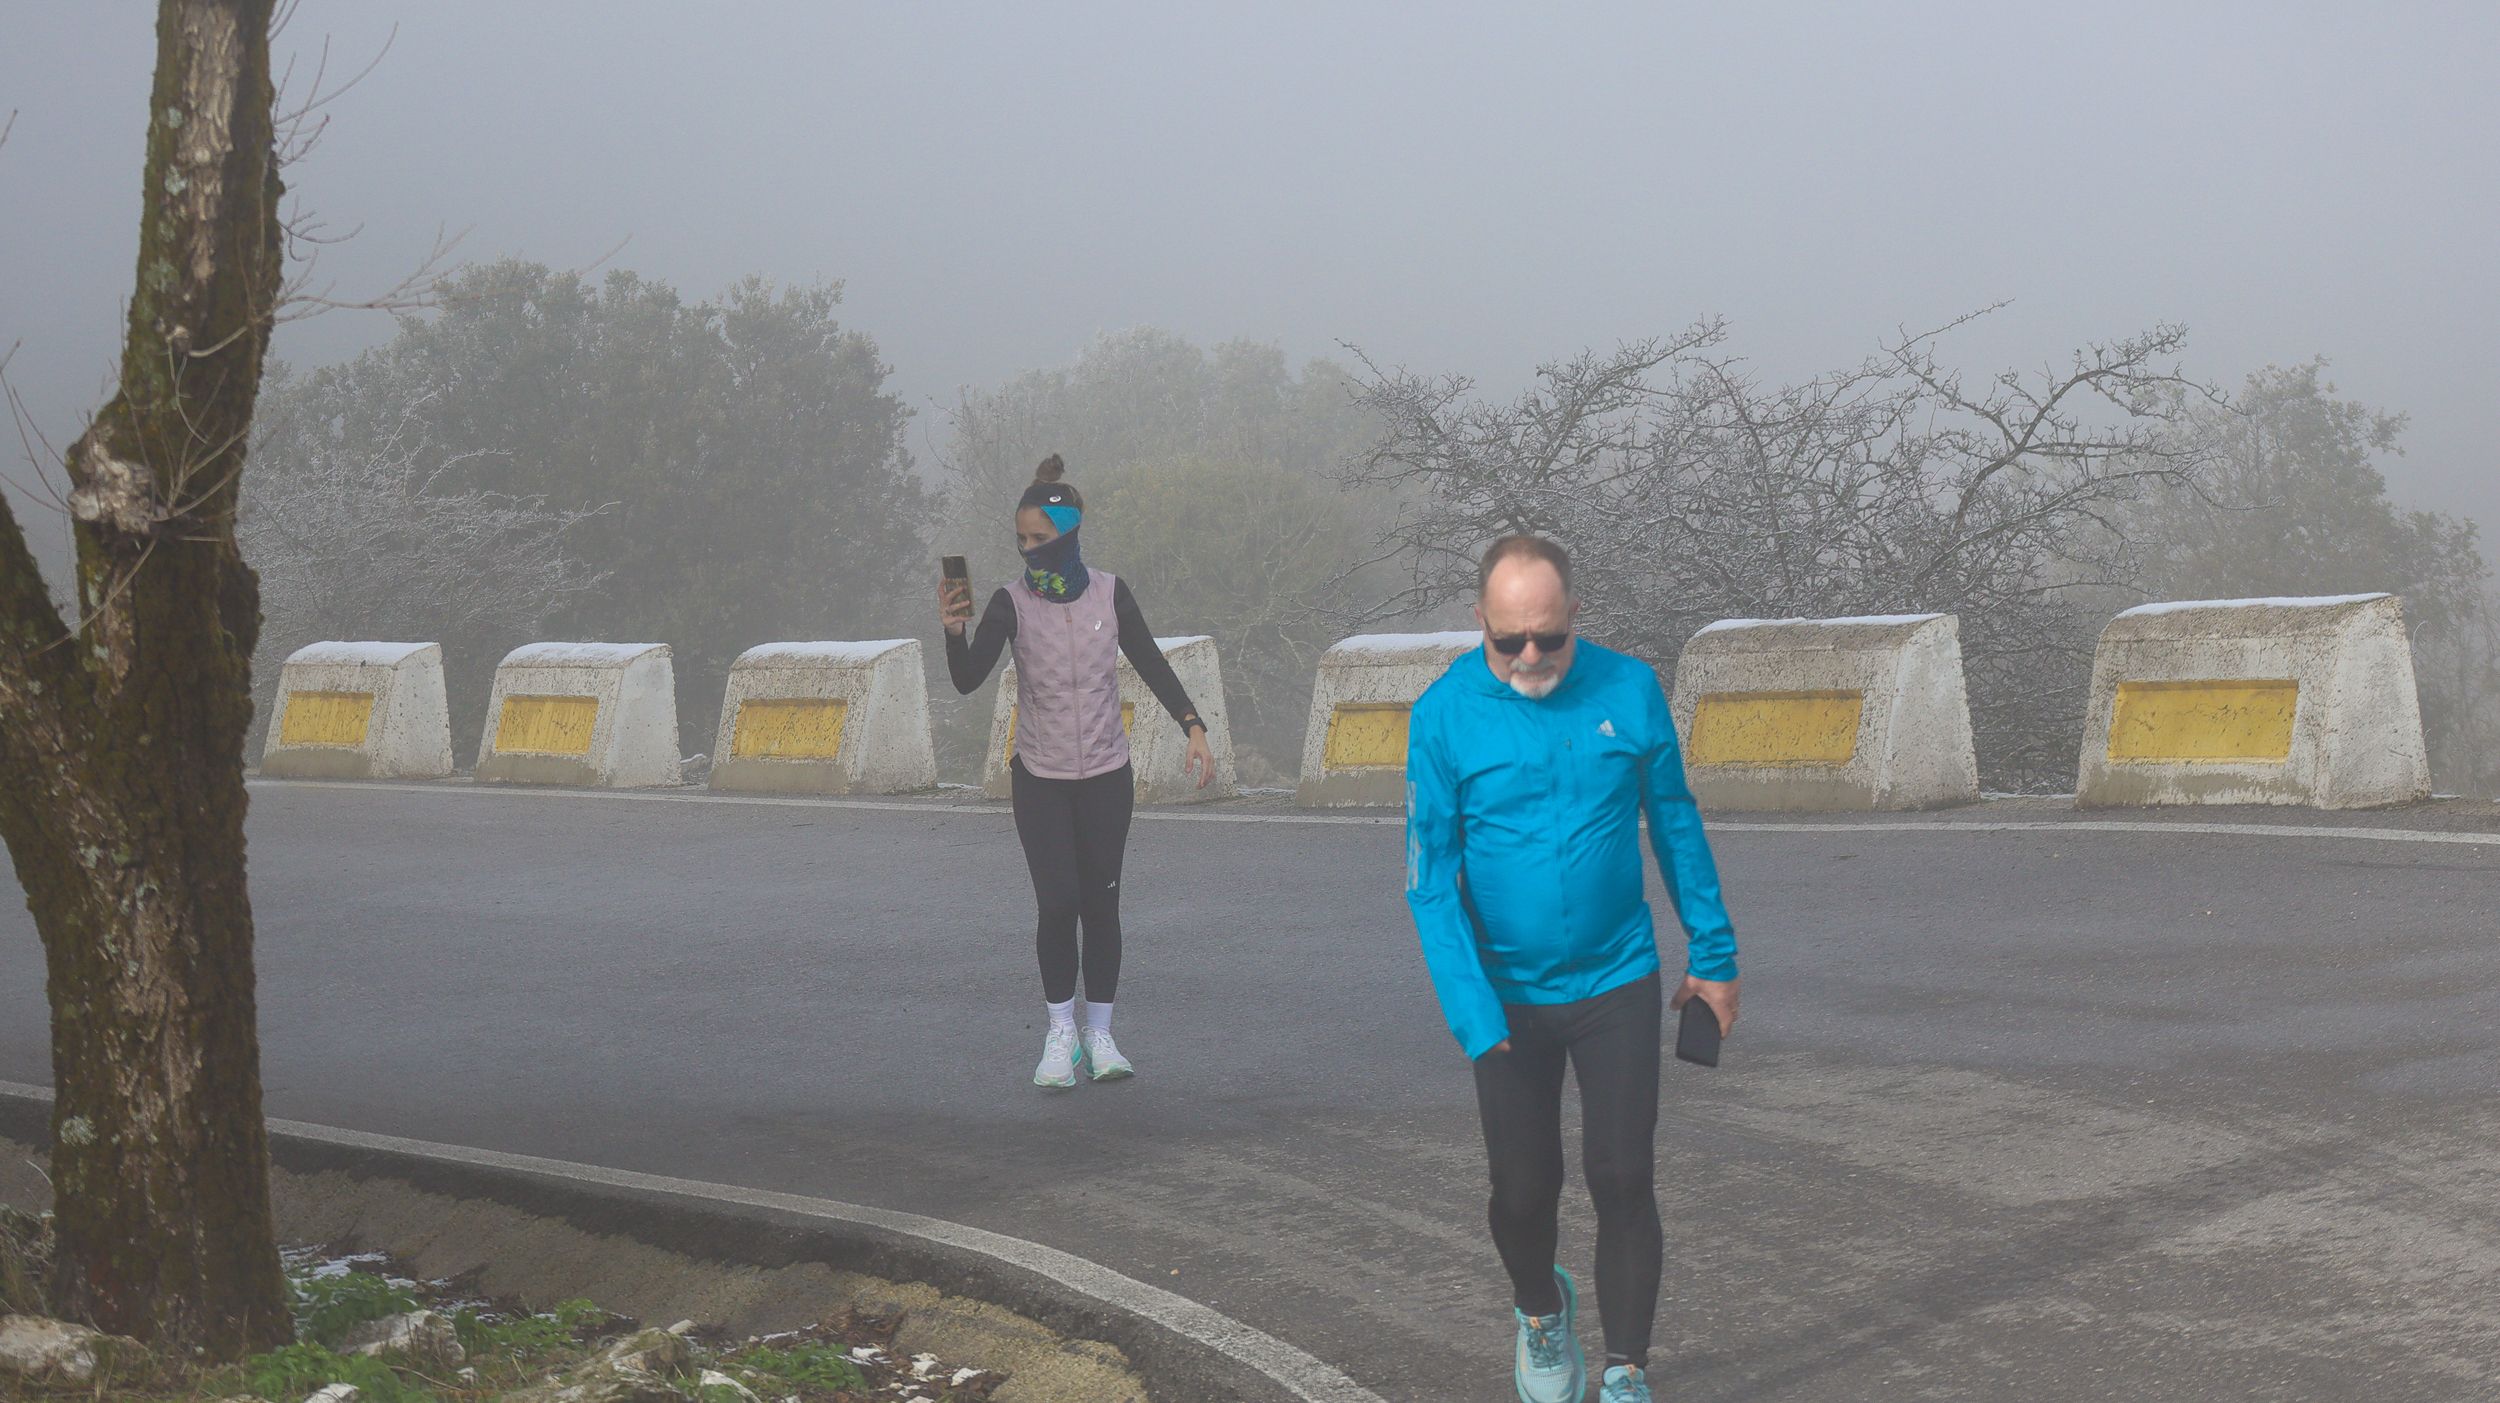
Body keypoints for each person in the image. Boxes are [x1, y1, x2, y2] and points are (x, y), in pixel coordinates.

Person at [1403, 534, 1739, 1403]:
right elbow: (1429, 883)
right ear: (1479, 621)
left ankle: (1628, 1369)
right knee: (1522, 1192)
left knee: (1624, 1175)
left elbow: (1674, 822)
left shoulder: (1627, 688)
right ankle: (1540, 1307)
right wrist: (1473, 1015)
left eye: (1548, 638)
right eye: (1508, 639)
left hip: (1616, 977)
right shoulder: (1443, 714)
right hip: (1504, 996)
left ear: (1574, 618)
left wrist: (1716, 953)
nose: (1529, 657)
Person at [941, 454, 1217, 1089]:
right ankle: (1059, 1032)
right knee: (1058, 902)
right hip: (1040, 777)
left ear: (1069, 533)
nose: (1030, 551)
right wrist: (954, 632)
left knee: (1103, 905)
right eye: (1022, 540)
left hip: (1106, 776)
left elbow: (1148, 658)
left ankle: (1100, 1034)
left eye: (1041, 539)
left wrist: (1192, 725)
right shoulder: (1011, 603)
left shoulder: (1109, 592)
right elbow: (965, 680)